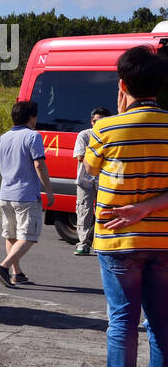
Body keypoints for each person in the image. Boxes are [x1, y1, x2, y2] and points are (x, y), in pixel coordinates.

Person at [80, 45, 168, 367]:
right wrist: (150, 207)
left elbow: (90, 168)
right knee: (163, 321)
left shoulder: (106, 128)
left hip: (119, 242)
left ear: (122, 85)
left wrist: (117, 120)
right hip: (164, 241)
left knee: (123, 321)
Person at [0, 101, 55, 287]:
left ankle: (16, 273)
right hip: (26, 195)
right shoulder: (33, 136)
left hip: (5, 195)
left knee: (11, 235)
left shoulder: (3, 138)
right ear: (31, 117)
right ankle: (3, 267)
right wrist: (49, 191)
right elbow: (39, 165)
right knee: (29, 236)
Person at [72, 106, 111, 256]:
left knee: (105, 212)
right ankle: (82, 244)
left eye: (102, 121)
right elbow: (80, 157)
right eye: (96, 121)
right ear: (91, 121)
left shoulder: (111, 136)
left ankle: (102, 244)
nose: (98, 124)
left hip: (105, 180)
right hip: (85, 180)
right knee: (84, 211)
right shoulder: (84, 135)